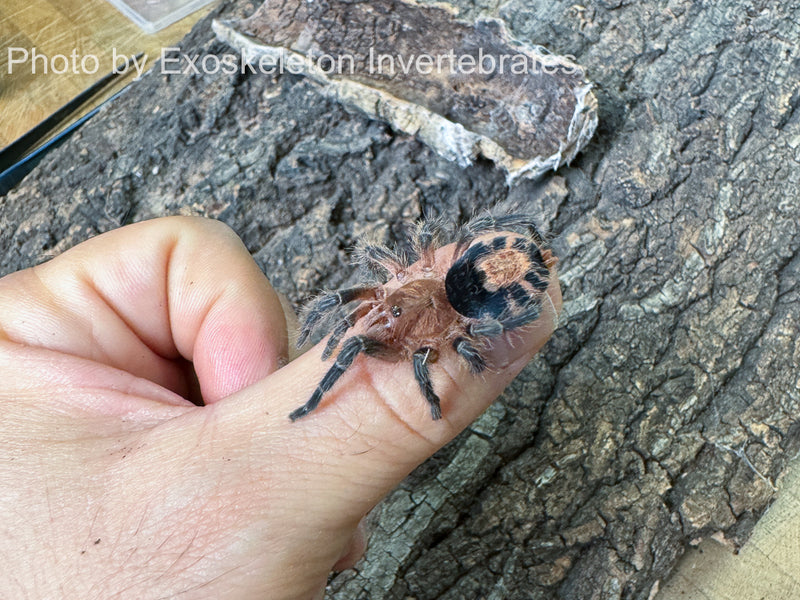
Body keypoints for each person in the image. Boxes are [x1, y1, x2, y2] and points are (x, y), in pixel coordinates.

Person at [0, 217, 560, 599]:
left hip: (476, 299)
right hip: (471, 275)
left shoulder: (427, 331)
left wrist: (424, 396)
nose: (377, 317)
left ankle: (314, 397)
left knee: (388, 349)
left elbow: (417, 358)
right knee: (362, 318)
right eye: (381, 307)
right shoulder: (403, 287)